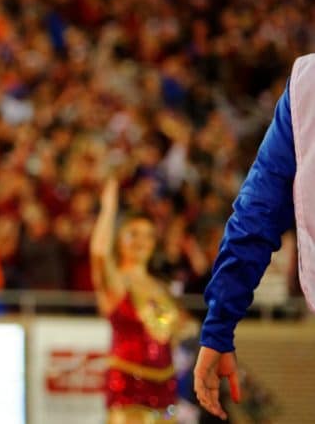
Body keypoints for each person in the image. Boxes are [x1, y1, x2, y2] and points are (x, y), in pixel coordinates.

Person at [193, 59, 313, 420]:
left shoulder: (308, 84)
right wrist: (218, 326)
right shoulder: (305, 85)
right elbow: (255, 213)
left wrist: (219, 325)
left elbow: (255, 214)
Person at [90, 178, 181, 423]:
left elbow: (168, 334)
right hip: (129, 387)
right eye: (134, 234)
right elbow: (99, 256)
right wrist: (108, 210)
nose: (142, 242)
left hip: (166, 387)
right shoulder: (118, 283)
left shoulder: (159, 287)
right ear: (119, 239)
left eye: (148, 235)